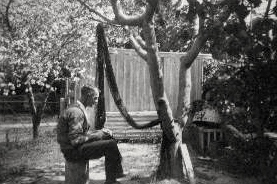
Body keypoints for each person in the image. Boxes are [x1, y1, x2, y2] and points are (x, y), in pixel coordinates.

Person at [57, 85, 125, 184]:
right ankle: (112, 180)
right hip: (72, 152)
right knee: (111, 145)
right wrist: (98, 135)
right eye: (95, 98)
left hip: (75, 148)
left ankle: (114, 176)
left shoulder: (78, 108)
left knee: (109, 137)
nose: (96, 101)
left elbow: (81, 134)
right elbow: (76, 140)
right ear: (87, 96)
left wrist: (101, 132)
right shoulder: (76, 112)